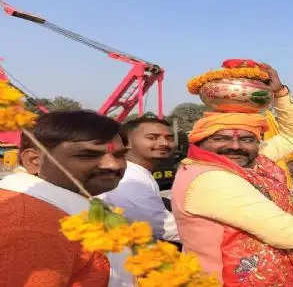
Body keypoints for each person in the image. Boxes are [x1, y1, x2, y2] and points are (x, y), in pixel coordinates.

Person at [171, 64, 293, 286]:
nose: (235, 146)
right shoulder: (209, 178)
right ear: (200, 141)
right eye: (220, 138)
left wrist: (280, 93)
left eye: (246, 139)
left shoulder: (252, 162)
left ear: (256, 143)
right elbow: (288, 233)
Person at [0, 111, 133, 286]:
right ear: (34, 161)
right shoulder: (32, 227)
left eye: (119, 155)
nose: (113, 165)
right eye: (87, 155)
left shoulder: (50, 210)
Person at [99, 117, 179, 242]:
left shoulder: (138, 172)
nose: (164, 143)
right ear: (126, 143)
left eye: (169, 138)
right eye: (152, 138)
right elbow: (163, 227)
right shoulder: (130, 178)